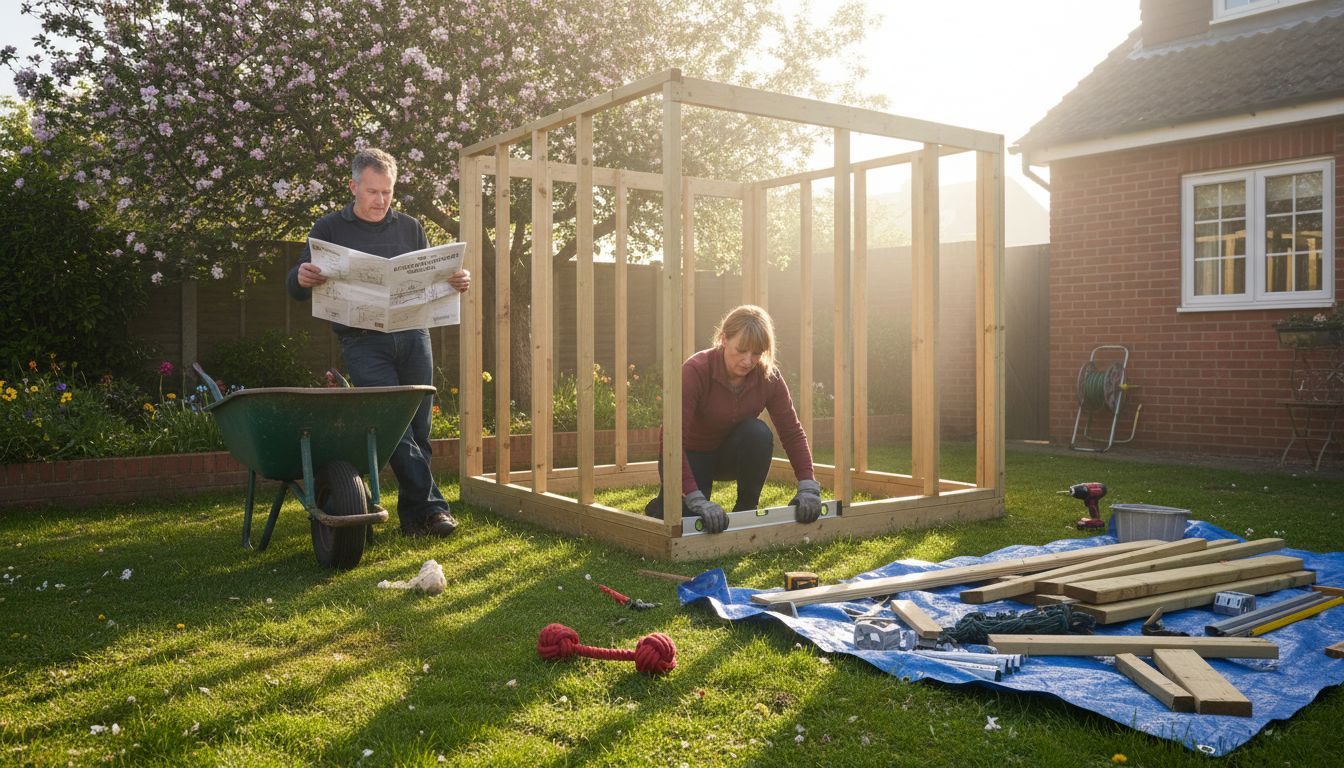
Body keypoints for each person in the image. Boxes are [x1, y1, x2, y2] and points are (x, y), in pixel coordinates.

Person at [286, 148, 471, 537]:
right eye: (372, 191)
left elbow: (430, 278)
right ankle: (435, 509)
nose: (380, 200)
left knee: (419, 429)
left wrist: (454, 281)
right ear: (353, 186)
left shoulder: (410, 227)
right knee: (395, 427)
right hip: (363, 342)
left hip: (414, 334)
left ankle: (414, 520)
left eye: (387, 192)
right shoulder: (329, 229)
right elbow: (297, 285)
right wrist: (300, 277)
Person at [643, 305, 823, 533]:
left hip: (727, 455)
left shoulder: (768, 376)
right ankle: (663, 504)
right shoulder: (695, 371)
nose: (748, 361)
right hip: (688, 456)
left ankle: (746, 509)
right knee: (689, 524)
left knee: (758, 432)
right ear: (723, 339)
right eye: (742, 350)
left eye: (757, 353)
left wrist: (808, 485)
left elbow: (792, 432)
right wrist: (695, 497)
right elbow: (671, 440)